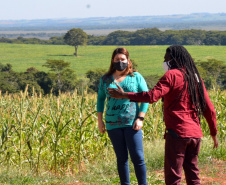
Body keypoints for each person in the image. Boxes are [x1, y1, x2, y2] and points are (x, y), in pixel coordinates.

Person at [108, 45, 218, 185]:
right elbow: (209, 108)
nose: (165, 62)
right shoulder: (195, 77)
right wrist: (213, 132)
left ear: (173, 60)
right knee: (193, 174)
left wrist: (124, 95)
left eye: (166, 59)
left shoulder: (171, 75)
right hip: (195, 134)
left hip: (178, 133)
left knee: (173, 176)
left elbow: (152, 96)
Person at [97, 47, 149, 185]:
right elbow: (100, 99)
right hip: (112, 124)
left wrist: (140, 118)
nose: (120, 62)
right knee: (121, 158)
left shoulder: (136, 77)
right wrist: (100, 121)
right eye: (117, 59)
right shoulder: (105, 79)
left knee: (138, 157)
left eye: (122, 59)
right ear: (112, 61)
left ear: (128, 60)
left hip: (132, 123)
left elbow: (146, 98)